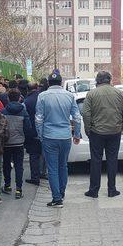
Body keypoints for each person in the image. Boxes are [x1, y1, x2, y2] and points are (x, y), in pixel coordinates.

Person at [82, 71, 123, 198]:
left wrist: (88, 129)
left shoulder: (91, 94)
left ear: (97, 81)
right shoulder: (119, 93)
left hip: (97, 132)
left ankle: (94, 191)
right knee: (112, 160)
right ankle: (112, 190)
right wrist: (122, 126)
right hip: (114, 132)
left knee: (96, 161)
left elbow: (86, 113)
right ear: (110, 80)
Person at [36, 71, 82, 208]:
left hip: (49, 136)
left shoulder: (42, 96)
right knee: (63, 166)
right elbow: (77, 117)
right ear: (61, 83)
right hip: (65, 136)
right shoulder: (69, 96)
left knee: (52, 168)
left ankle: (56, 198)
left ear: (49, 83)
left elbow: (39, 119)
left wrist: (40, 135)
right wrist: (77, 134)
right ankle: (61, 193)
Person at [2, 89, 33, 198]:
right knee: (19, 166)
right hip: (19, 143)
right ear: (20, 97)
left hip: (6, 143)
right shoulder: (23, 112)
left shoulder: (3, 111)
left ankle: (7, 186)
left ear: (8, 98)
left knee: (6, 165)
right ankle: (19, 189)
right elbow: (28, 128)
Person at [24, 82, 44, 185]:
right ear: (37, 88)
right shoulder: (43, 98)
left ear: (28, 90)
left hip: (32, 131)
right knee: (43, 153)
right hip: (44, 130)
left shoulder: (26, 101)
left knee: (33, 155)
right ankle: (43, 172)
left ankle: (35, 177)